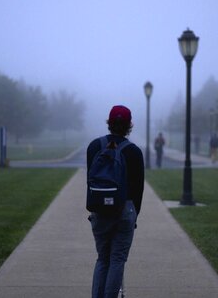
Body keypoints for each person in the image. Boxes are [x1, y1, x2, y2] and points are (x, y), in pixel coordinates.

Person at [86, 105, 144, 298]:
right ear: (129, 126)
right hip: (124, 211)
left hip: (99, 211)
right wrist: (134, 215)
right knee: (117, 259)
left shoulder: (94, 146)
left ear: (109, 123)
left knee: (102, 259)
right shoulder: (134, 152)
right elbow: (138, 190)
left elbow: (90, 180)